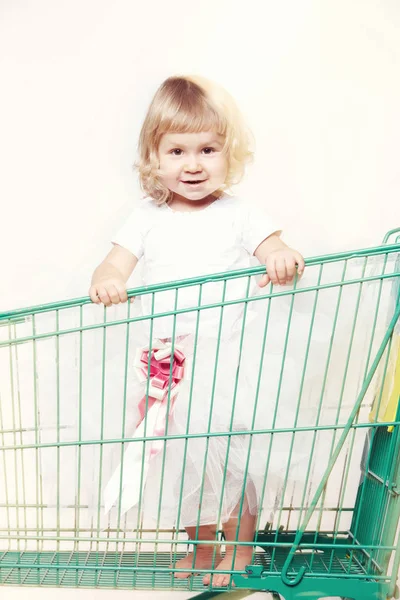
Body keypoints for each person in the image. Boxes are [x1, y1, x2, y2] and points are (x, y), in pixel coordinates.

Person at [89, 74, 305, 587]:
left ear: (230, 153)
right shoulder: (146, 217)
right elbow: (110, 267)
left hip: (229, 362)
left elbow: (274, 247)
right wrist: (109, 283)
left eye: (207, 149)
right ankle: (204, 546)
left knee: (237, 458)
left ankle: (242, 548)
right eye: (177, 150)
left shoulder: (240, 215)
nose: (192, 164)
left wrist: (280, 256)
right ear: (153, 157)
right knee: (185, 461)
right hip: (173, 367)